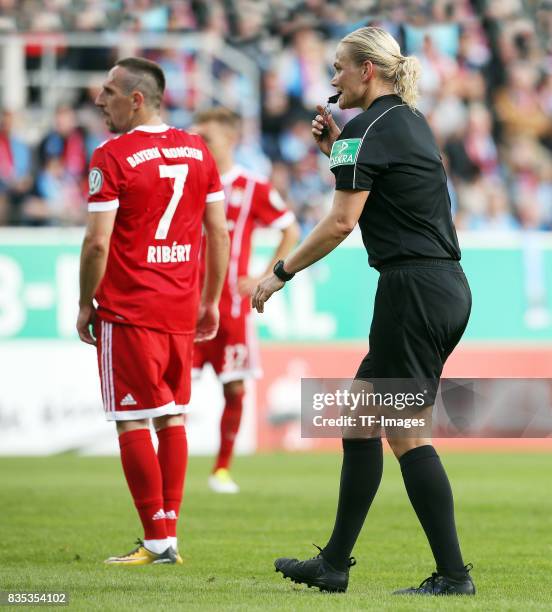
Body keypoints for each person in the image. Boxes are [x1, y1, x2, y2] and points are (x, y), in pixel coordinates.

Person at [253, 27, 475, 596]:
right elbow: (385, 190)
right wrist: (335, 151)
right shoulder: (405, 122)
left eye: (338, 68)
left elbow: (341, 222)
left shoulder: (366, 132)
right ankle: (333, 564)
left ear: (366, 71)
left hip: (413, 291)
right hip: (439, 286)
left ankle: (453, 577)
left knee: (403, 431)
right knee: (357, 418)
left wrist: (280, 273)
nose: (332, 80)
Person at [76, 58, 229, 565]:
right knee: (171, 415)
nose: (100, 100)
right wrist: (209, 299)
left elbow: (98, 244)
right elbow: (219, 232)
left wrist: (84, 303)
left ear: (136, 99)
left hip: (130, 307)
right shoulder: (197, 150)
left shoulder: (111, 155)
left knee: (131, 420)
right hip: (181, 307)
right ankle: (169, 536)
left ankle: (157, 539)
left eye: (108, 91)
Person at [192, 108, 299, 493]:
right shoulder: (184, 182)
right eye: (196, 137)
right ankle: (163, 469)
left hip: (232, 310)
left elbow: (291, 230)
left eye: (207, 138)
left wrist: (264, 276)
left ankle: (221, 469)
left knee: (234, 388)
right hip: (185, 307)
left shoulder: (252, 187)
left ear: (230, 140)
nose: (199, 144)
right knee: (173, 392)